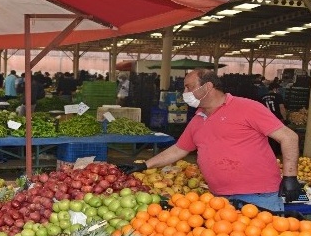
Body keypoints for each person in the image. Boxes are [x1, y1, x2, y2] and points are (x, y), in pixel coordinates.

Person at [119, 69, 300, 211]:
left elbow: (289, 137)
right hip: (219, 199)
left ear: (207, 87)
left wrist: (290, 177)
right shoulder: (198, 119)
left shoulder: (247, 107)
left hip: (258, 196)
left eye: (189, 87)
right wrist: (144, 165)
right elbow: (179, 149)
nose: (185, 92)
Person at [261, 82, 288, 156]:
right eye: (278, 89)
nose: (279, 90)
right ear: (275, 89)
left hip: (266, 119)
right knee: (278, 136)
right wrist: (285, 118)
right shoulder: (278, 96)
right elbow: (281, 108)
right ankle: (276, 152)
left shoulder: (262, 97)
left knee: (268, 137)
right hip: (277, 119)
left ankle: (267, 152)